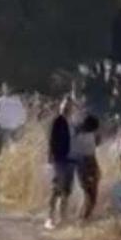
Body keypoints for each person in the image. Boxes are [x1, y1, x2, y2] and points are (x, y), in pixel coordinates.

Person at [46, 97, 74, 229]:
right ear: (61, 107)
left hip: (70, 159)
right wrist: (51, 157)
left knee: (66, 190)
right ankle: (50, 217)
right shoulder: (57, 121)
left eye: (69, 106)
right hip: (59, 159)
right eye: (64, 106)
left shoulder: (71, 122)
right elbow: (51, 140)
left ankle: (63, 218)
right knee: (56, 188)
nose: (66, 108)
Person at [74, 112, 102, 220]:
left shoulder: (85, 135)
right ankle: (84, 217)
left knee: (89, 194)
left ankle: (84, 216)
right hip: (86, 164)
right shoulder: (81, 136)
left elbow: (95, 146)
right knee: (90, 194)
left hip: (88, 164)